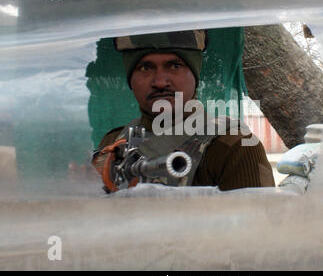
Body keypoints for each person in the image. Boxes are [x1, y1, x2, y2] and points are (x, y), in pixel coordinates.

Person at [92, 30, 274, 192]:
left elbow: (258, 227)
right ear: (130, 79)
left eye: (175, 66)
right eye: (145, 68)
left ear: (195, 75)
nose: (160, 82)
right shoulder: (113, 142)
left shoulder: (233, 146)